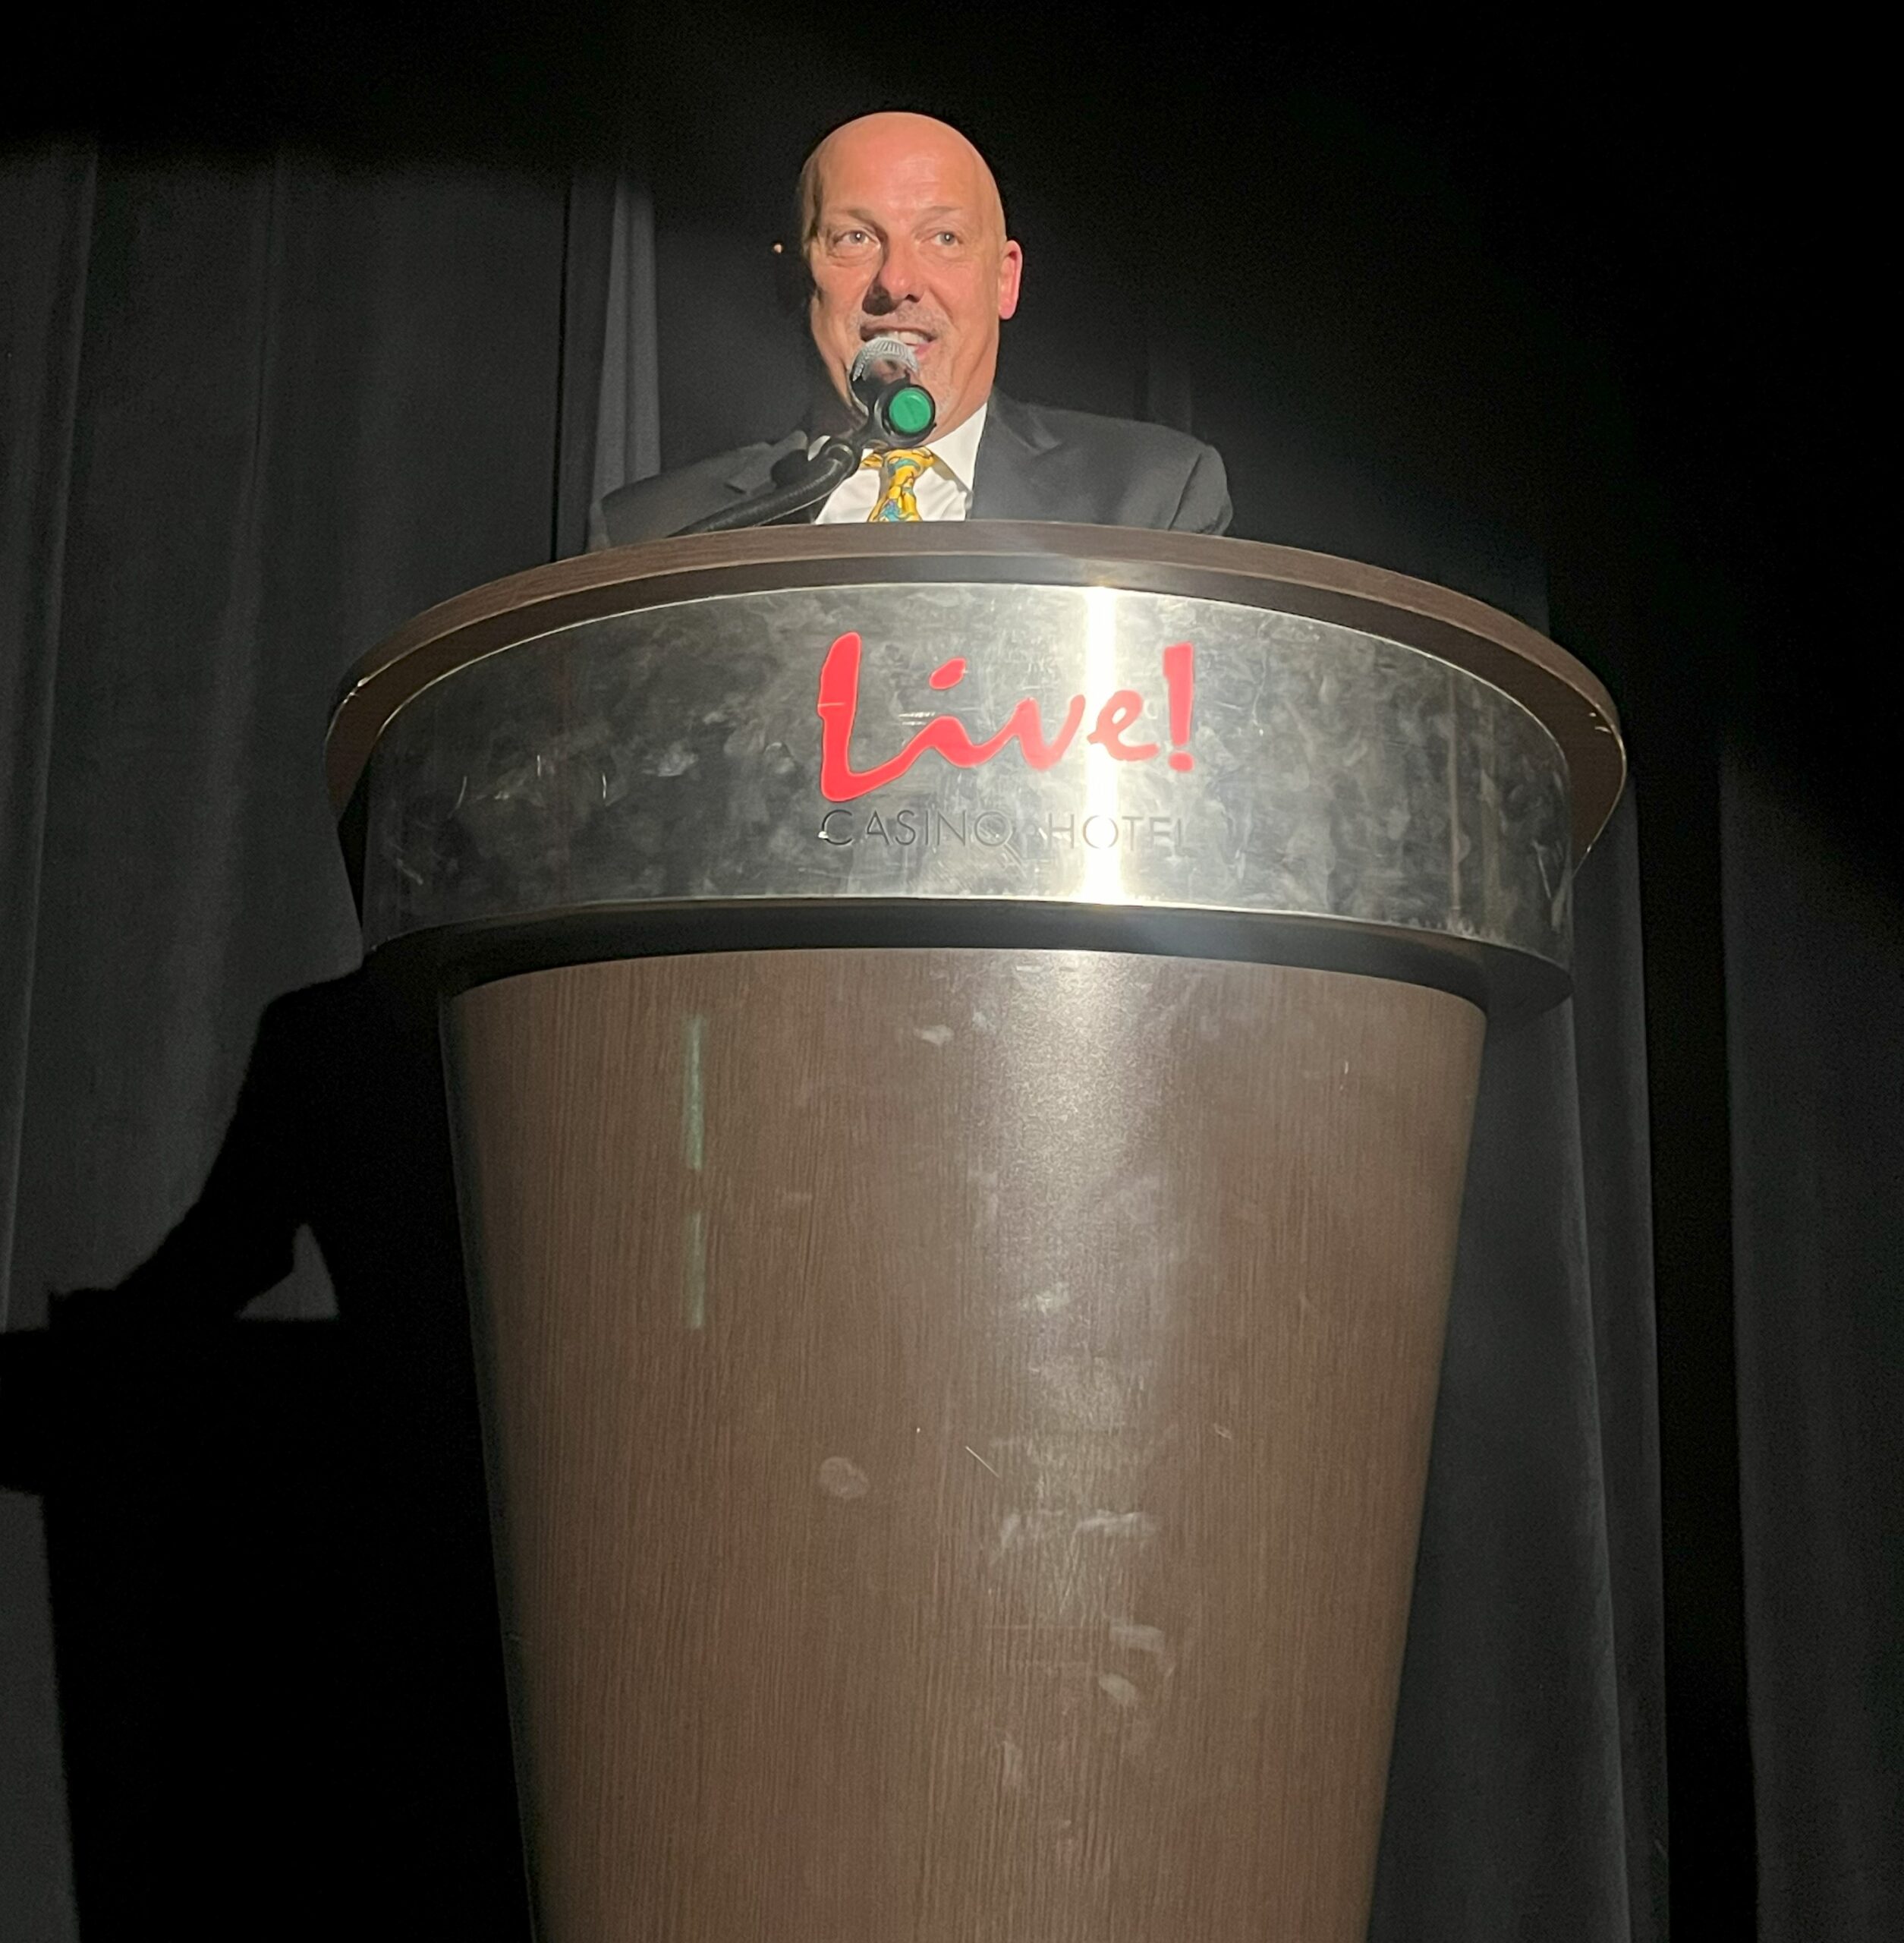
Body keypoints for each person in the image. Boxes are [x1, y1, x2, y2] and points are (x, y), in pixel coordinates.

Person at [593, 111, 1231, 544]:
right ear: (792, 279)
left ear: (1004, 279)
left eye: (944, 238)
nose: (897, 281)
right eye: (854, 238)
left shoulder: (1152, 497)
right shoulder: (657, 528)